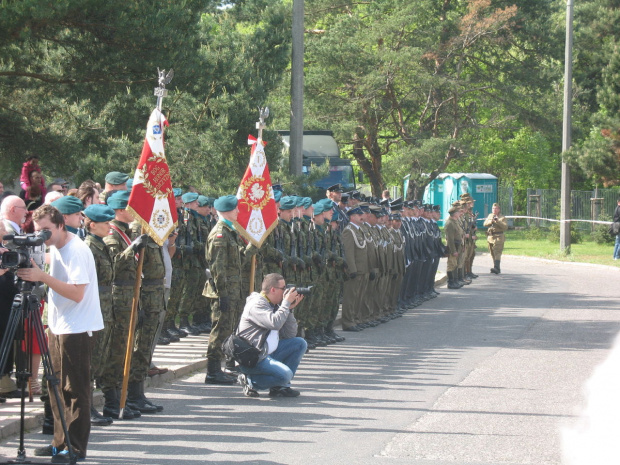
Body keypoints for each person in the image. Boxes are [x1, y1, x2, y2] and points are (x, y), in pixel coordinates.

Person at [16, 204, 103, 463]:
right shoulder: (57, 247)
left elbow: (77, 294)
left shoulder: (76, 250)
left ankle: (75, 448)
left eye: (46, 230)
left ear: (61, 225)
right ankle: (59, 442)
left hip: (77, 328)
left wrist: (42, 276)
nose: (43, 235)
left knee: (74, 390)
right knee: (55, 389)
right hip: (59, 325)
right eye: (37, 230)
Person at [236, 273, 306, 398]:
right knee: (286, 375)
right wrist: (285, 304)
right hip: (254, 358)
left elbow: (290, 334)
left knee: (299, 343)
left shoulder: (274, 304)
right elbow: (275, 323)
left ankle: (279, 387)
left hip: (267, 352)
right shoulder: (256, 304)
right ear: (273, 289)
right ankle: (250, 382)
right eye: (283, 288)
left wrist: (288, 310)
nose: (287, 292)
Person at [483, 203, 507, 274]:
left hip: (498, 237)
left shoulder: (502, 217)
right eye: (493, 208)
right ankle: (496, 267)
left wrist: (498, 221)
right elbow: (485, 224)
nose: (494, 210)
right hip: (490, 237)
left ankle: (496, 267)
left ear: (499, 210)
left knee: (497, 252)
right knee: (492, 252)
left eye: (496, 208)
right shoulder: (490, 216)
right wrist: (491, 221)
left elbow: (505, 227)